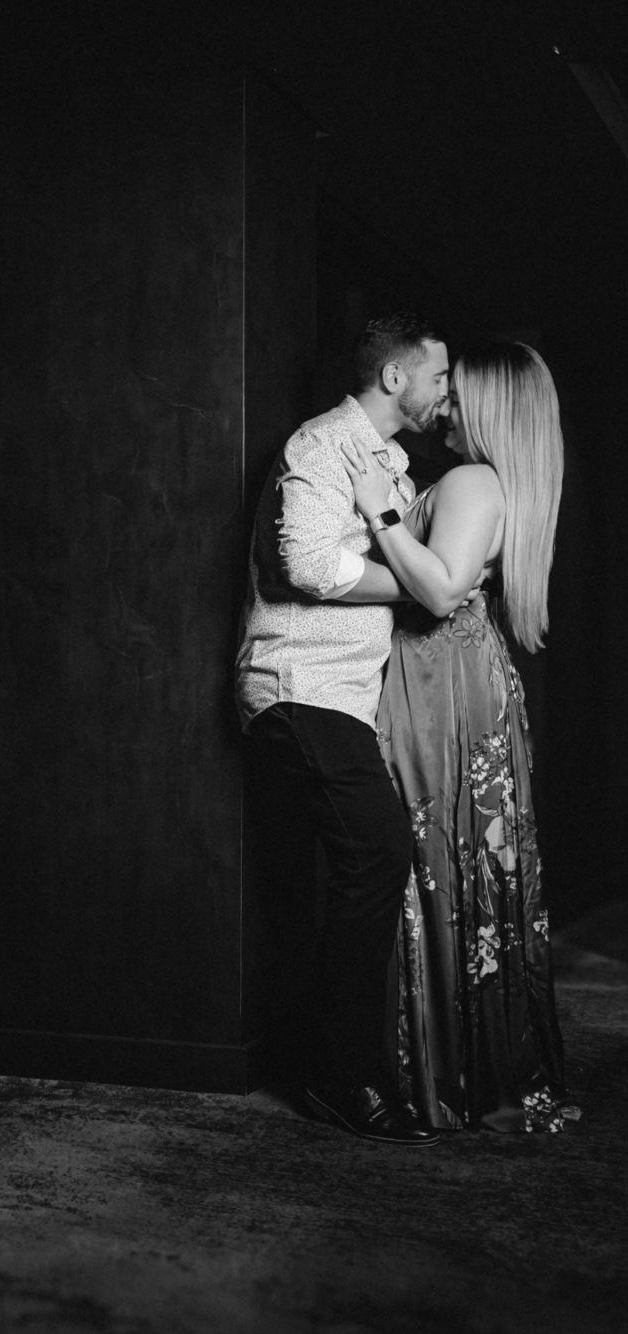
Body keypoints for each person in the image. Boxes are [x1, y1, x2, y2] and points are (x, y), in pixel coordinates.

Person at [339, 340, 575, 1133]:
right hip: (460, 678)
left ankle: (433, 1072)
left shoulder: (474, 480)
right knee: (452, 859)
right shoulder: (492, 482)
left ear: (490, 407)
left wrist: (379, 508)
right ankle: (461, 1063)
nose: (442, 402)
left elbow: (439, 593)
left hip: (439, 679)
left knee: (431, 858)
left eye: (456, 390)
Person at [235, 313, 451, 1146]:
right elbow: (308, 565)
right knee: (378, 851)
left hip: (348, 701)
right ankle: (339, 1074)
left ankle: (334, 1063)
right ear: (395, 377)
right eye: (438, 375)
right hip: (299, 690)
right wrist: (417, 586)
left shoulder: (392, 465)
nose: (446, 392)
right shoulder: (322, 444)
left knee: (337, 875)